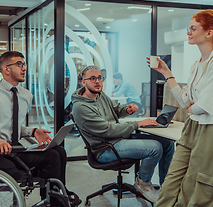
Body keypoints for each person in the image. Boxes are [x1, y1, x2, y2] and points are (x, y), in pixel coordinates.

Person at [149, 9, 213, 206]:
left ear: (209, 33)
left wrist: (192, 107)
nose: (188, 32)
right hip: (193, 126)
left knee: (198, 189)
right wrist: (166, 73)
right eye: (189, 28)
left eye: (193, 28)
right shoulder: (197, 64)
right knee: (172, 181)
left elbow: (206, 106)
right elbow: (186, 101)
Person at [0, 51, 81, 207]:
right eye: (19, 64)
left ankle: (56, 196)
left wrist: (33, 132)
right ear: (6, 69)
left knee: (59, 152)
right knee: (52, 158)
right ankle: (54, 201)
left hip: (14, 149)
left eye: (24, 64)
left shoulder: (25, 95)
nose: (24, 68)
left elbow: (11, 127)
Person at [71, 65, 175, 204]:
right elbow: (108, 130)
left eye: (100, 78)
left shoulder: (100, 96)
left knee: (166, 143)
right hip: (105, 148)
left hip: (119, 139)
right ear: (83, 82)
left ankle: (166, 188)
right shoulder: (81, 107)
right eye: (92, 78)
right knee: (154, 147)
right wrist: (137, 124)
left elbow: (117, 109)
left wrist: (128, 109)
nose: (97, 81)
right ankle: (143, 183)